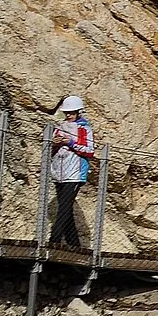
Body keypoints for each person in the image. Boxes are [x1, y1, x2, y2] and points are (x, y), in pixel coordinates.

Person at [48, 95, 97, 250]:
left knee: (63, 208)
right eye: (67, 112)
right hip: (59, 172)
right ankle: (74, 245)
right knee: (66, 209)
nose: (68, 115)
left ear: (78, 112)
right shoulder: (59, 127)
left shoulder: (84, 128)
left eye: (72, 112)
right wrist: (54, 144)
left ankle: (53, 241)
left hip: (75, 173)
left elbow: (89, 150)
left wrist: (69, 142)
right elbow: (50, 149)